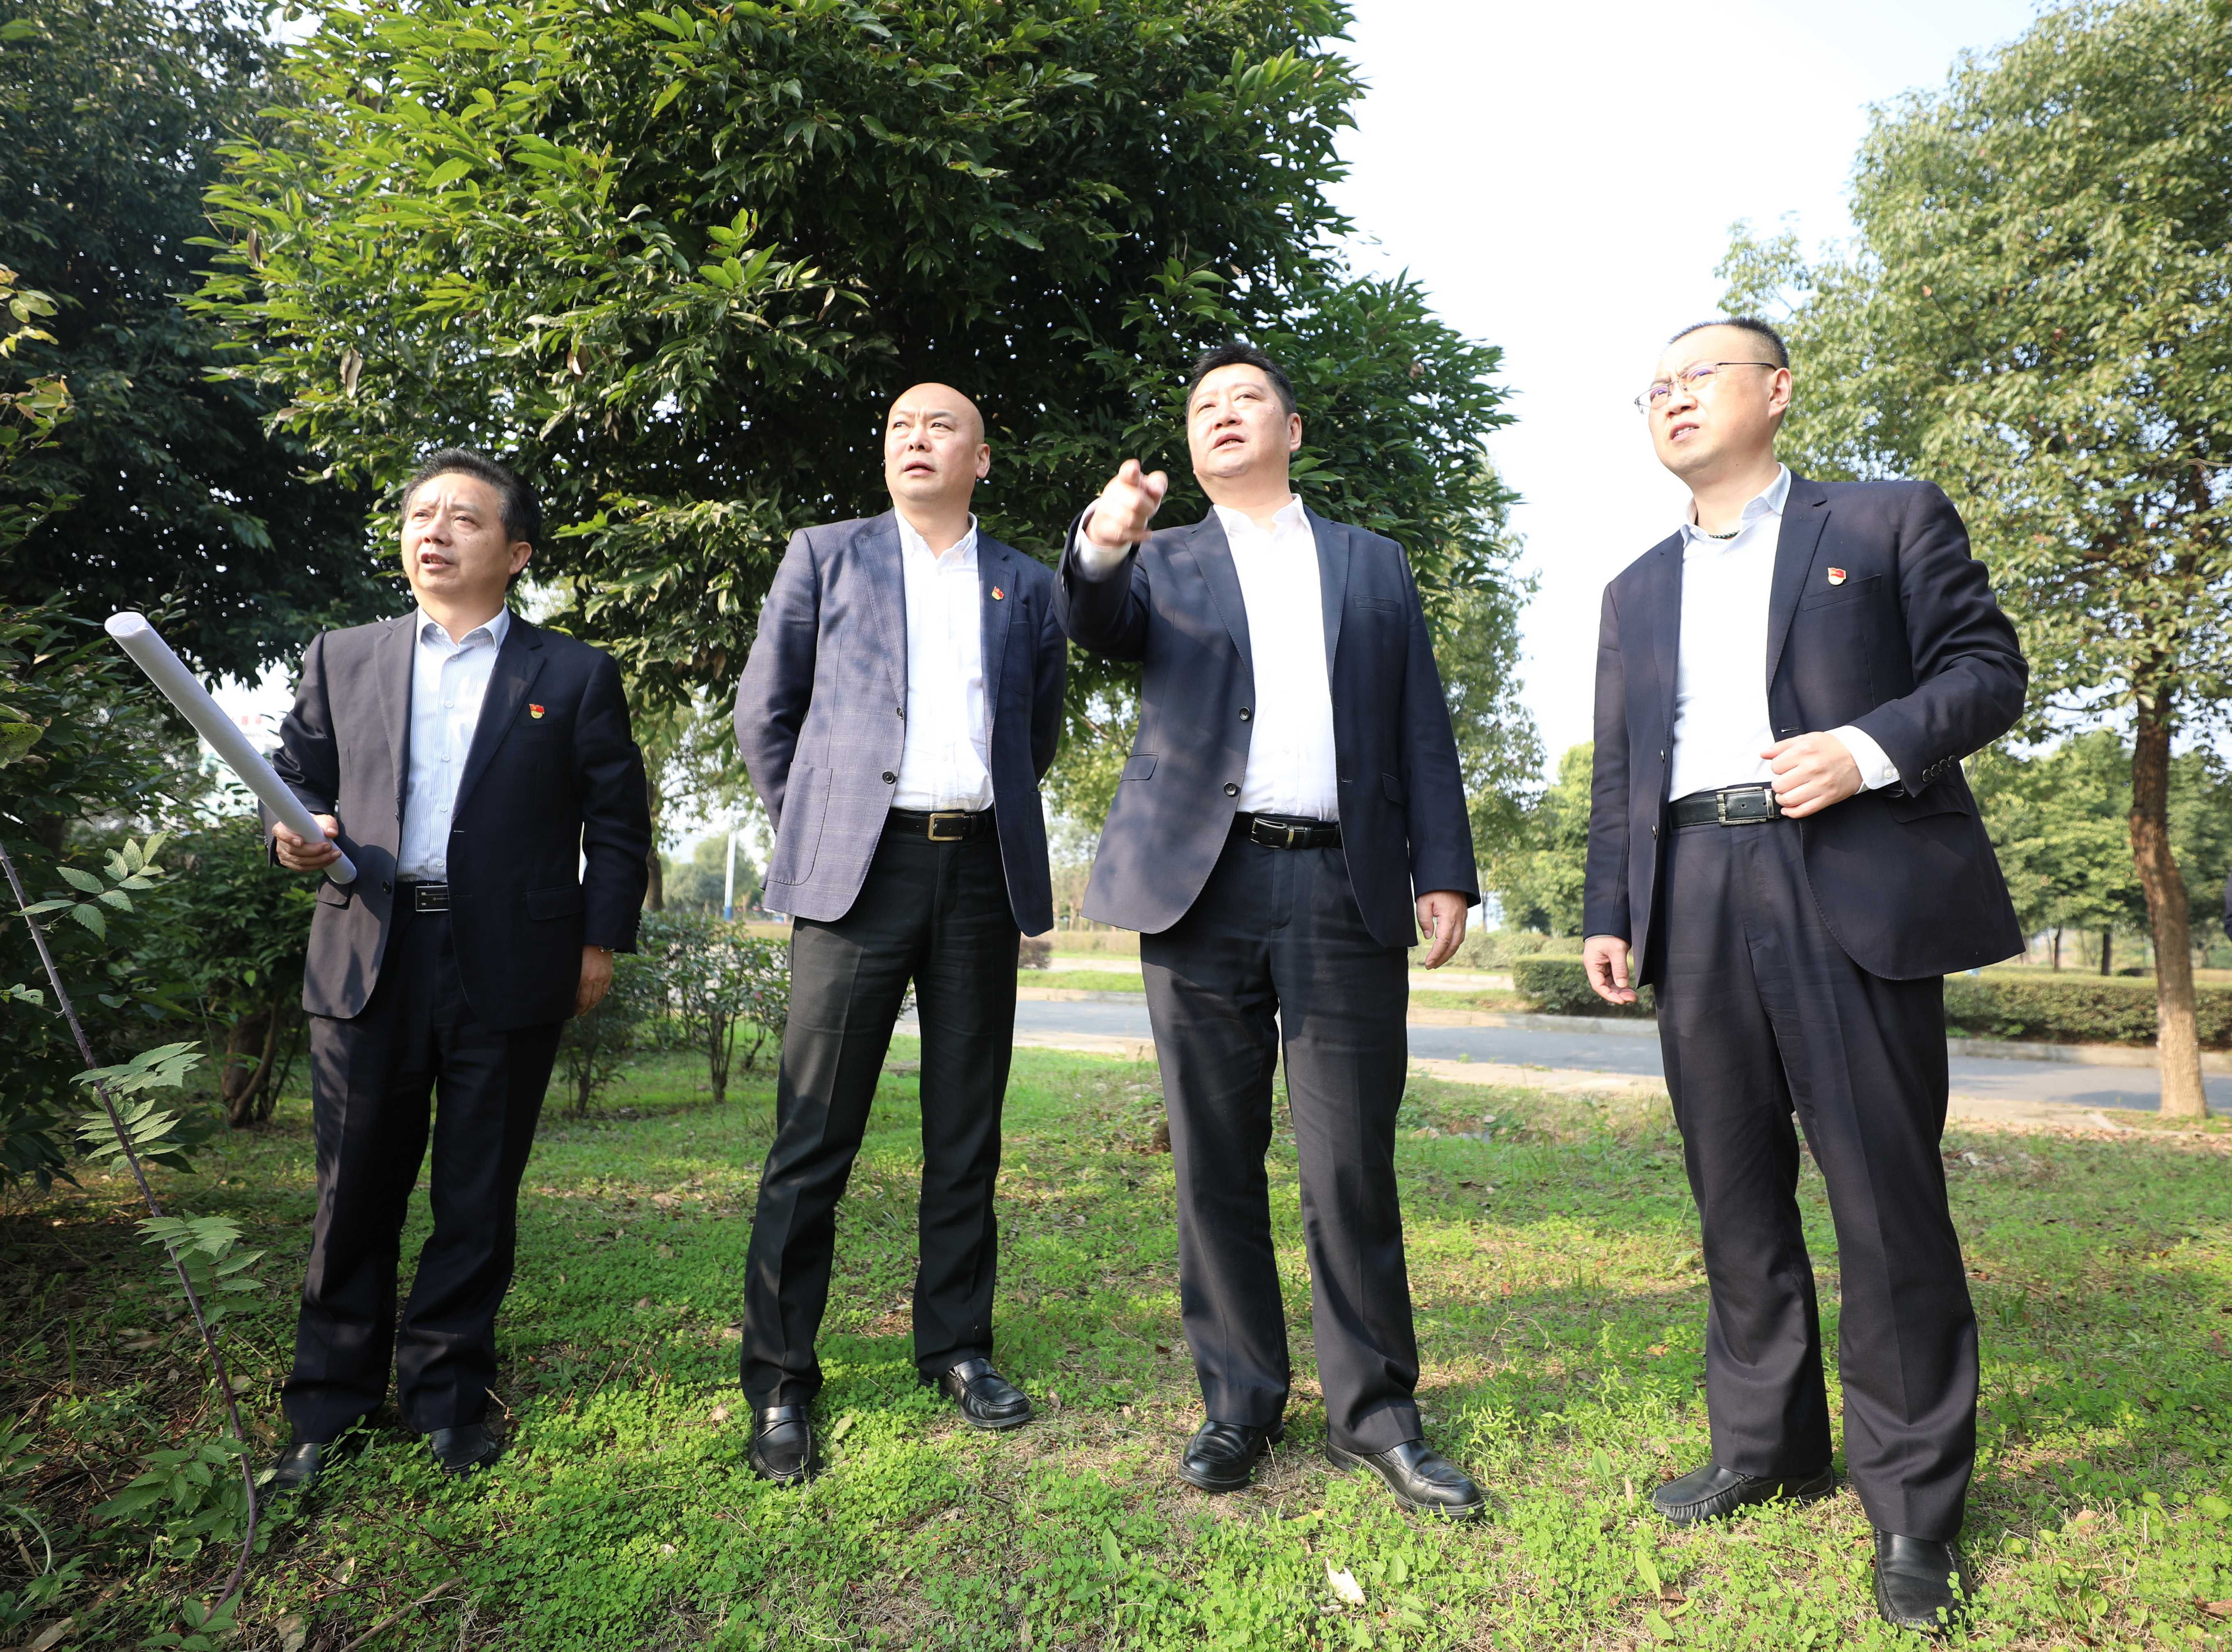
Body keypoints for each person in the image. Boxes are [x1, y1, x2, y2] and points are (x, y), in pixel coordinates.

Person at [1582, 320, 2028, 1634]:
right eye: (1652, 389)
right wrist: (1612, 909)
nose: (1670, 399)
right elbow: (1620, 767)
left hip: (1844, 872)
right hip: (1691, 886)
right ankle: (1765, 1447)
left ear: (1774, 391)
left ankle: (1912, 1509)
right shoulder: (1631, 588)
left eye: (1696, 377)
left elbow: (1986, 673)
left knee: (1882, 1198)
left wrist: (1863, 749)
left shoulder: (1884, 521)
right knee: (1731, 1189)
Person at [1058, 344, 1483, 1517]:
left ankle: (1376, 1415)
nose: (1223, 414)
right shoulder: (1162, 559)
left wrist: (1444, 870)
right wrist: (1104, 540)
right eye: (1203, 405)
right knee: (1213, 1154)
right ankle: (1239, 1401)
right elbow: (1094, 619)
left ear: (1291, 430)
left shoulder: (1371, 563)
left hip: (1347, 884)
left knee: (1349, 1159)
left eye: (1246, 398)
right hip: (1200, 886)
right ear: (1192, 445)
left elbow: (1420, 720)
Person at [262, 448, 651, 1490]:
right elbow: (294, 779)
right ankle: (327, 1406)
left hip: (513, 960)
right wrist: (291, 833)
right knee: (353, 1190)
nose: (433, 531)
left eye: (463, 518)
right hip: (369, 948)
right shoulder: (345, 655)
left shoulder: (572, 673)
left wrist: (598, 940)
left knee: (477, 1194)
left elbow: (618, 823)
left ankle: (446, 1397)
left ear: (516, 552)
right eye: (420, 515)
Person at [731, 383, 1066, 1484]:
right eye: (897, 428)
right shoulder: (825, 556)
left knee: (965, 1130)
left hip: (978, 874)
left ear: (982, 456)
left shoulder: (1028, 582)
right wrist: (819, 825)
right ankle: (782, 1380)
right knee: (812, 1134)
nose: (915, 440)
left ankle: (958, 1347)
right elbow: (765, 713)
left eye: (939, 426)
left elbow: (1038, 733)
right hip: (855, 877)